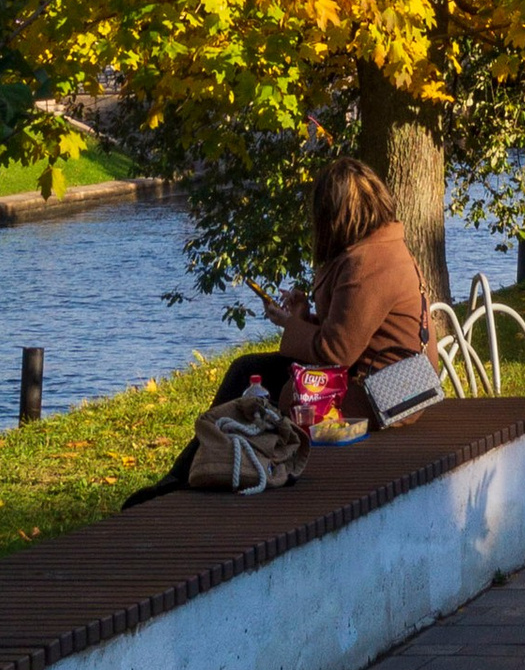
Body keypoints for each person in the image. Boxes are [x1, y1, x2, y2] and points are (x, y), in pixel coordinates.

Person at [127, 160, 432, 496]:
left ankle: (203, 473)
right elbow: (350, 331)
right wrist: (301, 316)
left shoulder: (369, 262)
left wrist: (291, 324)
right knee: (250, 369)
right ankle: (193, 471)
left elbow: (337, 351)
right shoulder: (376, 249)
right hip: (371, 379)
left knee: (273, 389)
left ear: (333, 213)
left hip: (384, 394)